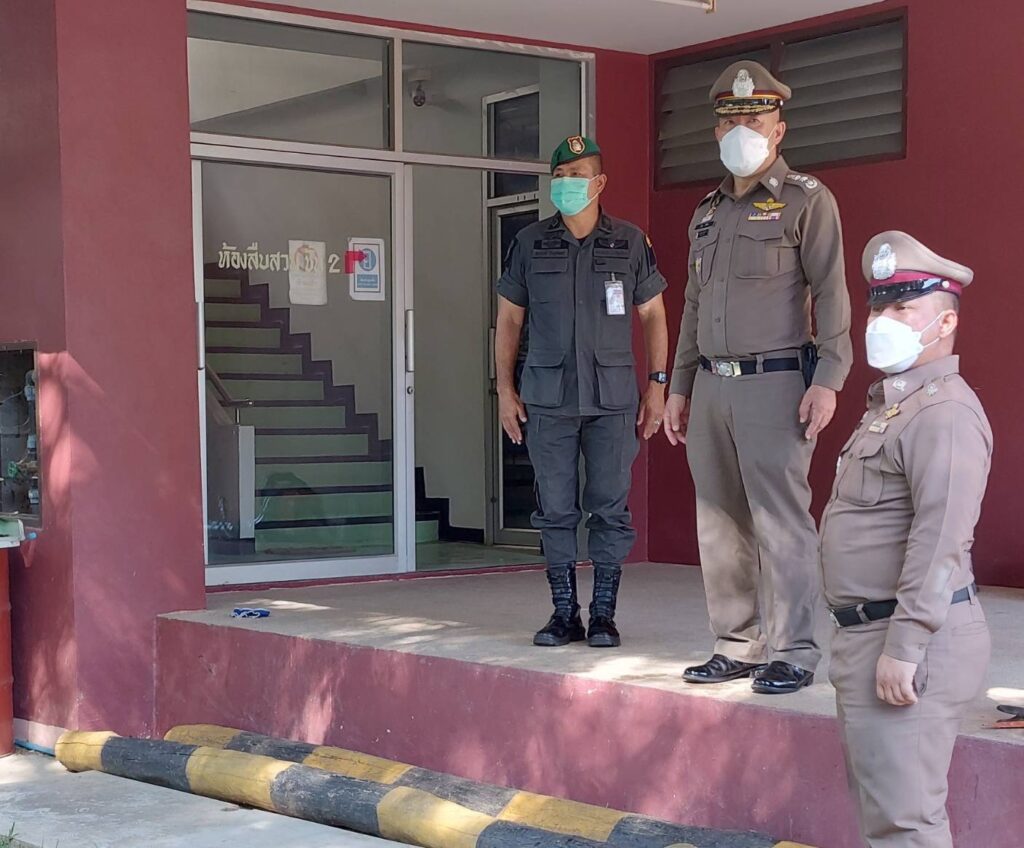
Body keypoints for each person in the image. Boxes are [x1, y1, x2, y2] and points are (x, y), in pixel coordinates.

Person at [664, 60, 852, 694]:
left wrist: (829, 377)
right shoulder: (706, 212)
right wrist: (679, 385)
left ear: (779, 128)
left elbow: (831, 291)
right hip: (711, 384)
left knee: (780, 520)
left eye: (756, 117)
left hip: (775, 383)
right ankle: (737, 643)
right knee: (720, 521)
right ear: (717, 131)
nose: (742, 128)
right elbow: (692, 304)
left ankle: (794, 649)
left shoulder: (806, 199)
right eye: (731, 119)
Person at [821, 231, 991, 847]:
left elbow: (941, 540)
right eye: (877, 307)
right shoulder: (896, 405)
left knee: (906, 827)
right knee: (884, 816)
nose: (881, 321)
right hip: (870, 635)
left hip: (907, 638)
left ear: (945, 322)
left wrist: (907, 645)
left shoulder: (944, 413)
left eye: (902, 307)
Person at [495, 135, 669, 649]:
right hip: (547, 398)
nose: (567, 184)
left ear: (600, 183)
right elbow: (509, 320)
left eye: (577, 176)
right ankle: (564, 612)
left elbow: (653, 314)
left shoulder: (630, 242)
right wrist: (505, 390)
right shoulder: (529, 243)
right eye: (560, 177)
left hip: (612, 399)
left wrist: (657, 385)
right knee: (555, 510)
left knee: (610, 508)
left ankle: (604, 615)